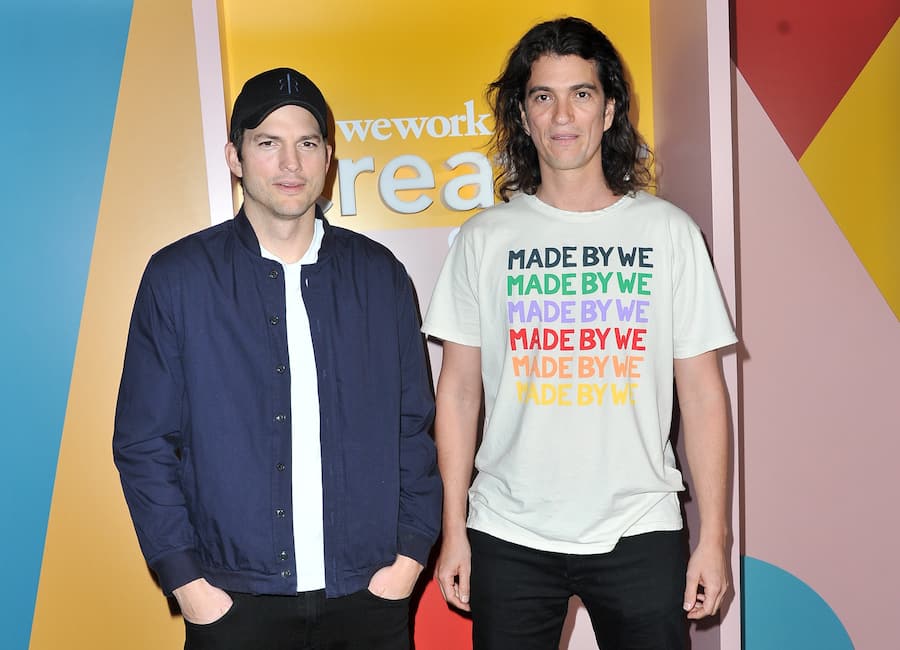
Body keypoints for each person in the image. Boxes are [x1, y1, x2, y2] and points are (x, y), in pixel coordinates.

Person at [422, 17, 737, 649]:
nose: (563, 115)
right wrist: (453, 528)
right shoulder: (485, 238)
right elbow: (456, 394)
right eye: (543, 96)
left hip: (641, 524)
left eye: (582, 94)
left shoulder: (667, 233)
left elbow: (703, 395)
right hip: (508, 530)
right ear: (524, 112)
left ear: (610, 108)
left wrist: (714, 538)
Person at [113, 67, 441, 650]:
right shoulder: (178, 279)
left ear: (328, 158)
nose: (291, 163)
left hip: (368, 597)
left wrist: (409, 560)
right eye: (268, 142)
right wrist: (189, 583)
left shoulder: (381, 276)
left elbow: (413, 429)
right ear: (235, 157)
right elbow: (143, 443)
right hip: (233, 603)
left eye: (307, 143)